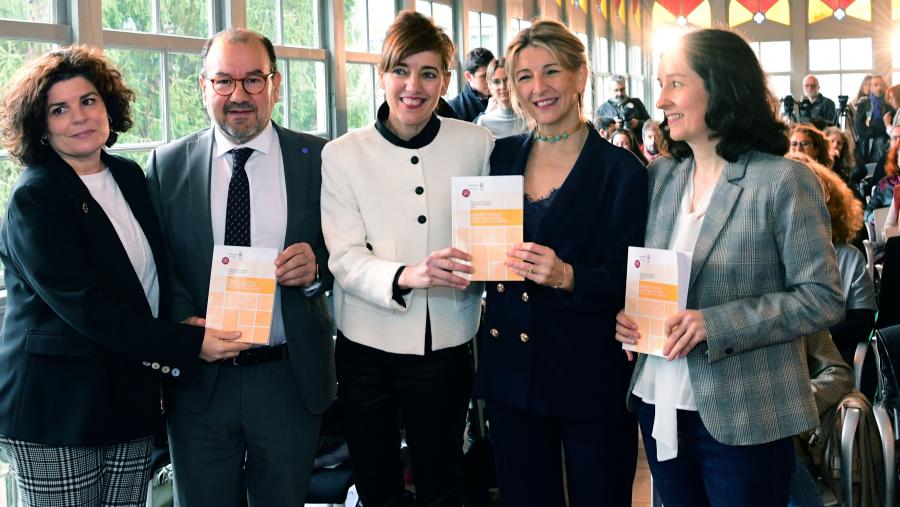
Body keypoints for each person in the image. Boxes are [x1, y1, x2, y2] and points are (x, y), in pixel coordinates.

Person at [0, 46, 250, 507]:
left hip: (130, 399)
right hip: (59, 411)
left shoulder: (128, 175)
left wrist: (184, 321)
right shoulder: (36, 198)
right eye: (59, 109)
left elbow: (150, 277)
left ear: (108, 106)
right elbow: (89, 308)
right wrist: (187, 343)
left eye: (88, 100)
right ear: (40, 125)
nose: (79, 117)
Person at [615, 29, 844, 506]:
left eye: (675, 84)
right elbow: (655, 276)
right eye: (661, 84)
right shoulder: (661, 178)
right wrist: (634, 318)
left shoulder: (782, 180)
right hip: (661, 404)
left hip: (747, 412)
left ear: (720, 87)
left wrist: (714, 323)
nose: (661, 100)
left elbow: (822, 298)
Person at [146, 28, 334, 506]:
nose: (240, 96)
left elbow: (350, 246)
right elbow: (160, 262)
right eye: (224, 81)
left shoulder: (318, 157)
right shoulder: (166, 164)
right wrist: (186, 325)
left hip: (287, 378)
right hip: (200, 384)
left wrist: (318, 267)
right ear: (203, 87)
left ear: (276, 84)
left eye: (253, 79)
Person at [320, 11, 493, 507]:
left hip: (447, 340)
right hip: (366, 345)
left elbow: (491, 233)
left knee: (442, 478)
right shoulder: (343, 153)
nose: (413, 86)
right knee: (376, 482)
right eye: (401, 70)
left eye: (429, 72)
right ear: (381, 75)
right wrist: (407, 275)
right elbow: (345, 257)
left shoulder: (476, 143)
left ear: (445, 79)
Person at [474, 19, 648, 506]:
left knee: (601, 495)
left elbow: (626, 279)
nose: (538, 88)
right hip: (511, 368)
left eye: (551, 72)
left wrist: (568, 275)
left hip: (589, 368)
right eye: (524, 76)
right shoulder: (500, 158)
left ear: (579, 77)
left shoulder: (622, 172)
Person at [475, 57, 527, 138]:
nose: (502, 86)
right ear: (489, 87)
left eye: (507, 80)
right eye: (496, 82)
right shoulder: (484, 122)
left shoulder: (531, 118)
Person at [863, 125, 900, 222]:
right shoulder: (884, 184)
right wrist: (878, 220)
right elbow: (867, 213)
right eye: (895, 138)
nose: (899, 142)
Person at [854, 75, 894, 164]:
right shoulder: (863, 105)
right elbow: (859, 127)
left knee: (880, 142)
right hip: (866, 142)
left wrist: (873, 128)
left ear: (885, 86)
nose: (879, 88)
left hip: (884, 142)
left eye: (881, 85)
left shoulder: (890, 105)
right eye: (875, 85)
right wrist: (876, 130)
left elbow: (891, 127)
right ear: (871, 87)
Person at [448, 47, 495, 121]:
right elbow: (460, 133)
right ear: (468, 76)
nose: (491, 80)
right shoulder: (453, 107)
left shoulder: (504, 97)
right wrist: (485, 115)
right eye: (484, 76)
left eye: (492, 74)